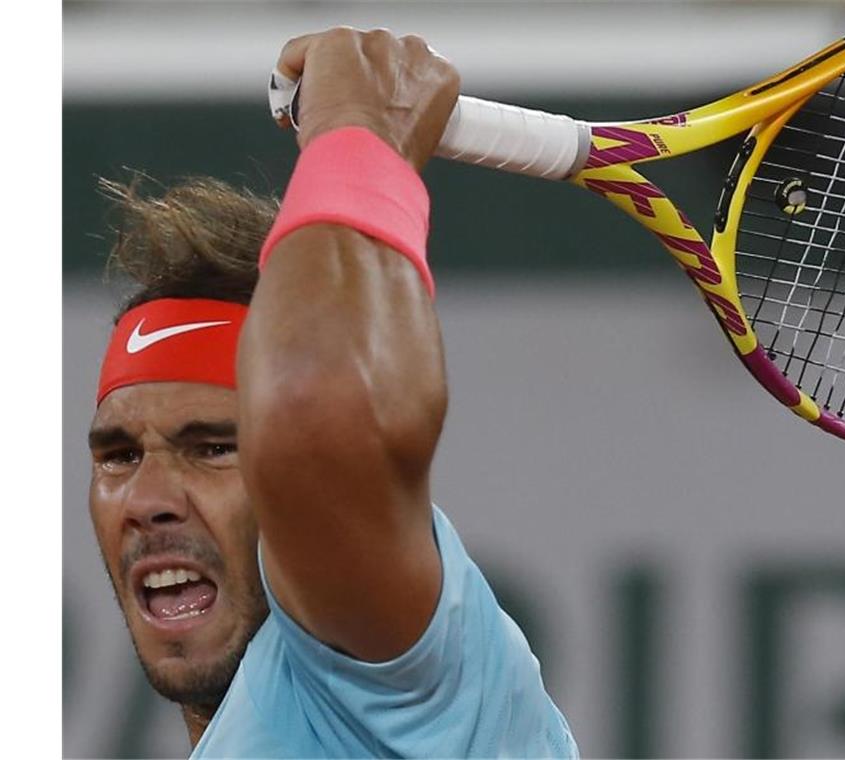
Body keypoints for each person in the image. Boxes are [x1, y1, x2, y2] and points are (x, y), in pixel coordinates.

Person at [86, 27, 577, 757]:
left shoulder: (398, 654)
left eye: (215, 446)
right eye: (120, 455)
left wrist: (360, 133)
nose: (148, 497)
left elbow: (318, 410)